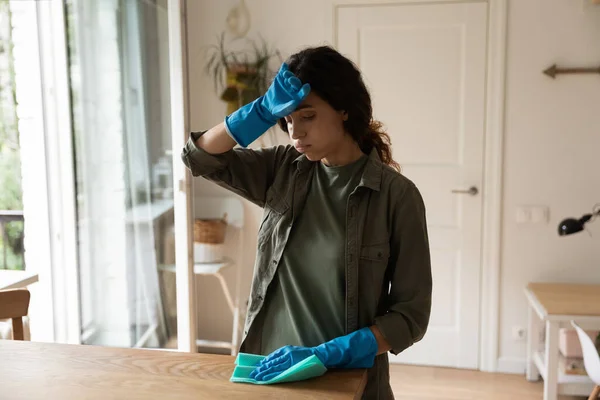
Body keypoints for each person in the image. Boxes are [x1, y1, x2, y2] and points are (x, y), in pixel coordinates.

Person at [181, 45, 432, 399]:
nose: (295, 132)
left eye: (308, 116)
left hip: (345, 381)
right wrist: (262, 111)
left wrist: (326, 355)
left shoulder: (397, 197)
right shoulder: (282, 170)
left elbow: (410, 317)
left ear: (344, 109)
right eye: (287, 119)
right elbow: (199, 157)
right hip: (267, 371)